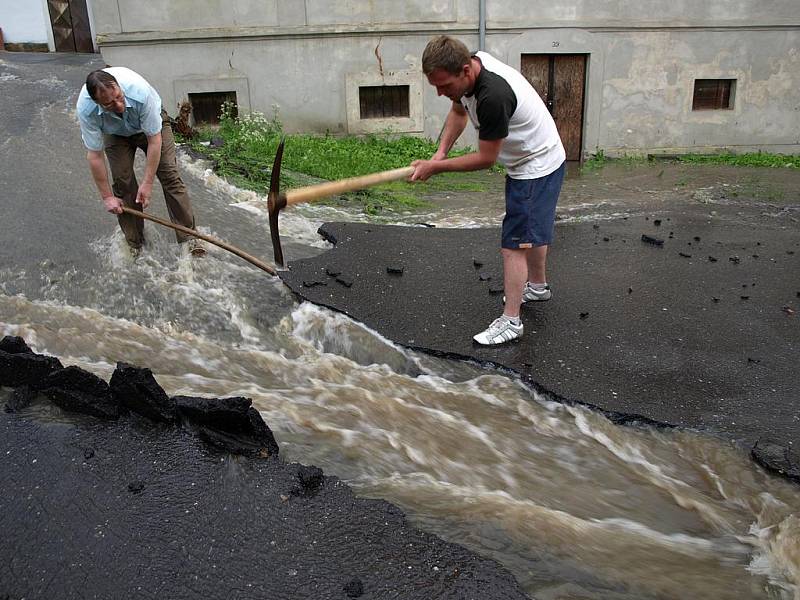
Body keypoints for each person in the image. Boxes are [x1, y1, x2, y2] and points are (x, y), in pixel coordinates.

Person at [411, 35, 565, 345]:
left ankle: (511, 321)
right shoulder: (469, 70)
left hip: (535, 165)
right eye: (436, 87)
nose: (441, 93)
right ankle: (536, 286)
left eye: (444, 85)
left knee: (514, 243)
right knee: (529, 232)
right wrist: (439, 154)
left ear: (466, 70)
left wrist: (436, 168)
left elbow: (485, 158)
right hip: (536, 158)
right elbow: (458, 112)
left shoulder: (492, 96)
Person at [76, 67, 204, 257]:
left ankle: (189, 238)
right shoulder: (86, 109)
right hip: (115, 133)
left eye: (119, 97)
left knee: (168, 173)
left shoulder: (140, 93)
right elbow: (95, 156)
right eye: (109, 104)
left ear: (119, 87)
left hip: (150, 128)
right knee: (123, 181)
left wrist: (148, 182)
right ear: (97, 103)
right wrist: (107, 198)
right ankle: (135, 243)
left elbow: (154, 140)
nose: (118, 106)